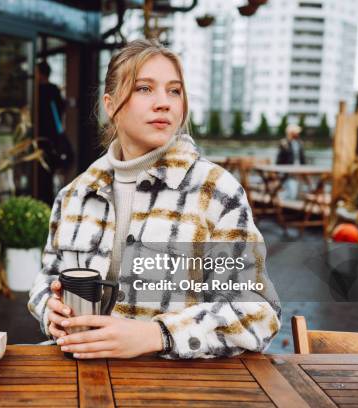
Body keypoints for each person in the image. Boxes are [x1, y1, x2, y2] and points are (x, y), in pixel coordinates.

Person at [28, 39, 281, 359]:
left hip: (174, 386)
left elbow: (258, 314)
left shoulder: (215, 191)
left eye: (174, 91)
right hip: (80, 375)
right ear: (110, 104)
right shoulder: (74, 194)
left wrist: (158, 335)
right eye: (144, 88)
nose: (164, 102)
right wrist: (50, 310)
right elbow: (48, 277)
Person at [36, 61, 69, 205]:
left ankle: (44, 199)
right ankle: (47, 200)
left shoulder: (42, 90)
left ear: (41, 73)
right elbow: (62, 109)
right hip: (49, 135)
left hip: (45, 135)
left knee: (44, 168)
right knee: (46, 169)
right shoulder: (52, 90)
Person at [276, 124, 306, 200]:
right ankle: (281, 200)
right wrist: (280, 173)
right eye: (296, 132)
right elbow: (279, 160)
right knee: (291, 192)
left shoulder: (299, 143)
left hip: (298, 171)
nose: (298, 134)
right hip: (287, 173)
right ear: (291, 133)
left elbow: (302, 158)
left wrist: (304, 170)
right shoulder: (284, 143)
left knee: (297, 192)